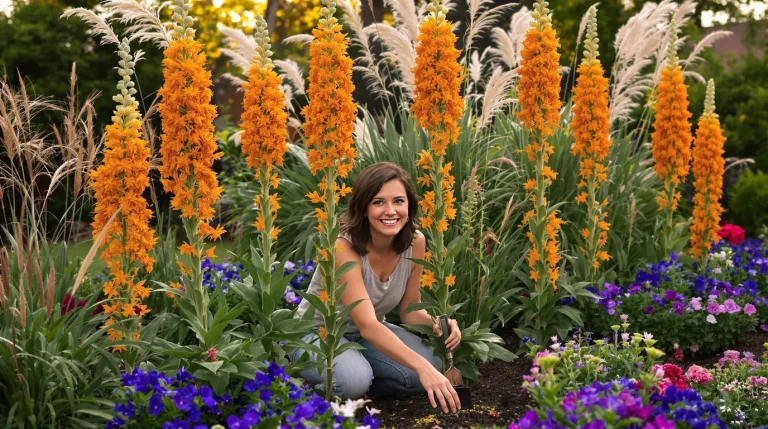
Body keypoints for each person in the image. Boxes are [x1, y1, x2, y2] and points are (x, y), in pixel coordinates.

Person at [291, 162, 462, 413]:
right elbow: (368, 324)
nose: (390, 211)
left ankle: (362, 386)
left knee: (433, 364)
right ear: (363, 209)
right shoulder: (343, 248)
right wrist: (420, 367)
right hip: (317, 335)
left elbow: (409, 311)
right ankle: (310, 385)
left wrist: (437, 323)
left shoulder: (416, 241)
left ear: (409, 206)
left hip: (365, 336)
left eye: (399, 201)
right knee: (355, 380)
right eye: (378, 202)